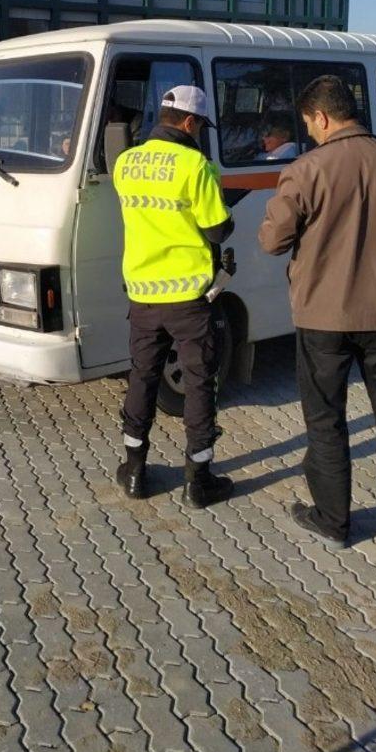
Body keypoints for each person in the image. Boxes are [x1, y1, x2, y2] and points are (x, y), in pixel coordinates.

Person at [259, 75, 376, 549]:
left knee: (326, 421)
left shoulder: (307, 168)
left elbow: (274, 239)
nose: (310, 133)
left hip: (324, 319)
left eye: (308, 125)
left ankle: (332, 520)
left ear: (321, 116)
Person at [113, 84, 235, 507]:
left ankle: (133, 471)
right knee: (200, 383)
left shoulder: (125, 162)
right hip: (189, 298)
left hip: (142, 294)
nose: (200, 131)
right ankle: (198, 481)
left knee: (142, 377)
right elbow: (218, 229)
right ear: (188, 122)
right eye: (200, 124)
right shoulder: (196, 166)